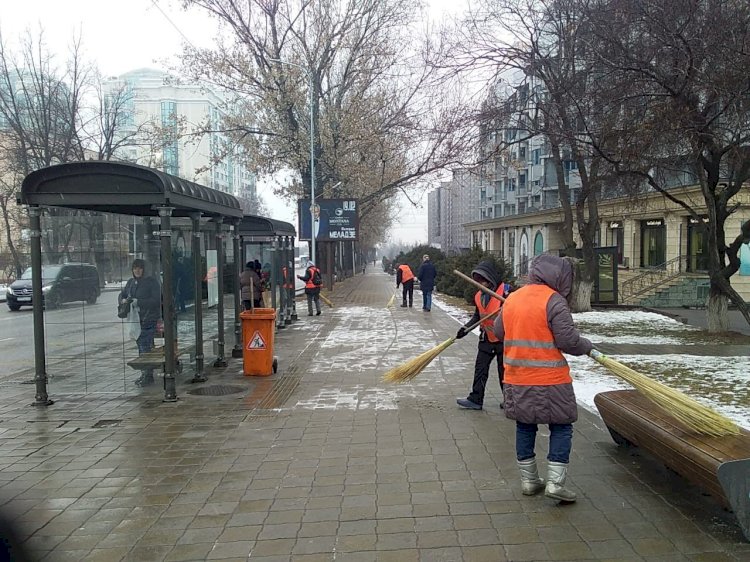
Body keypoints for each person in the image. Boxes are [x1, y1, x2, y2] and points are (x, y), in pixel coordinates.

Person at [493, 254, 593, 502]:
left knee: (524, 426)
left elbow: (498, 331)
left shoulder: (513, 298)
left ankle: (529, 481)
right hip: (551, 379)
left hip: (517, 379)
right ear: (560, 277)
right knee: (561, 426)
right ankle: (556, 484)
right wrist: (587, 346)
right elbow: (568, 341)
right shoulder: (554, 301)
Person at [454, 260, 507, 410]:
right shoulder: (479, 296)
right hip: (486, 338)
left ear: (490, 279)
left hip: (504, 340)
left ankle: (510, 401)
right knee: (480, 369)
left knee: (505, 372)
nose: (480, 284)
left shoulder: (506, 292)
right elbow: (478, 316)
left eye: (482, 281)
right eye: (477, 281)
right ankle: (476, 399)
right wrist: (465, 328)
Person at [119, 259, 161, 387]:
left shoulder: (151, 282)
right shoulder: (131, 283)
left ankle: (147, 375)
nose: (137, 271)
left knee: (144, 346)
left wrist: (139, 302)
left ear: (144, 269)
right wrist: (123, 300)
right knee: (141, 345)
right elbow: (122, 294)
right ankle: (145, 373)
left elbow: (156, 300)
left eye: (139, 268)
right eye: (135, 268)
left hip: (148, 318)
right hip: (136, 319)